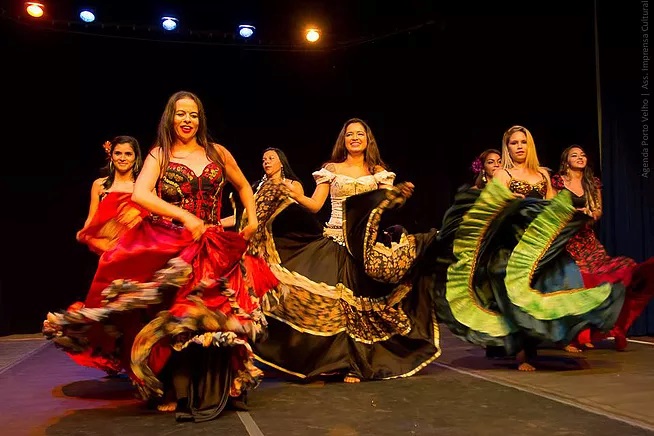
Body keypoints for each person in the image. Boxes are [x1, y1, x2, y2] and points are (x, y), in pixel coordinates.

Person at [43, 90, 279, 422]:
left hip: (213, 244)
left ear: (201, 119)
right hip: (175, 242)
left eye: (194, 114)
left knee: (216, 314)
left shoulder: (217, 152)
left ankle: (222, 388)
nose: (187, 120)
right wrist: (183, 216)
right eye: (181, 114)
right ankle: (176, 390)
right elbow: (140, 194)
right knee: (176, 318)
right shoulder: (159, 154)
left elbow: (242, 186)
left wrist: (251, 218)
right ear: (170, 117)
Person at [250, 118, 441, 384]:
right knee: (337, 306)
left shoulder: (379, 172)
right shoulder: (330, 170)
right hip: (335, 240)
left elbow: (383, 207)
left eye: (359, 134)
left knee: (359, 306)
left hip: (365, 245)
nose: (354, 138)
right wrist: (290, 195)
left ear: (367, 139)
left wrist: (398, 196)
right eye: (349, 134)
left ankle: (356, 364)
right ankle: (333, 362)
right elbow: (315, 205)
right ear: (344, 140)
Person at [432, 125, 627, 371]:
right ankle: (523, 353)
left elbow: (553, 206)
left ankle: (559, 335)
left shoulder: (543, 175)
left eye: (523, 142)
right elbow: (488, 209)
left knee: (560, 281)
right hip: (512, 245)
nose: (519, 146)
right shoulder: (504, 176)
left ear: (530, 145)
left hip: (540, 244)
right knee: (513, 294)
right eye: (514, 143)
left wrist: (575, 214)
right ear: (508, 147)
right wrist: (511, 203)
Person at [552, 145, 654, 351]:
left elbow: (598, 211)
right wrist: (575, 213)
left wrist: (588, 214)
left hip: (587, 240)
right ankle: (573, 336)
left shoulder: (593, 182)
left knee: (609, 278)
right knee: (576, 284)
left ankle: (601, 330)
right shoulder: (558, 181)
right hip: (566, 240)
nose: (580, 157)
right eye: (574, 155)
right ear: (566, 160)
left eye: (582, 154)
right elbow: (553, 210)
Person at [76, 136, 147, 255]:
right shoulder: (99, 185)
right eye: (118, 153)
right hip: (107, 250)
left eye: (128, 154)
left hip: (135, 249)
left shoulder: (143, 187)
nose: (122, 158)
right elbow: (92, 218)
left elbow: (151, 221)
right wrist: (86, 235)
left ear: (136, 158)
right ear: (111, 156)